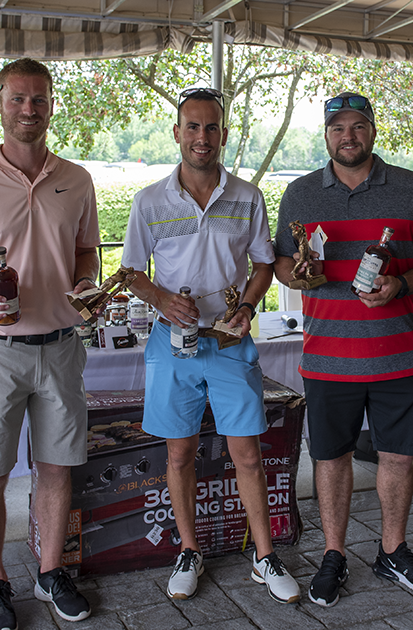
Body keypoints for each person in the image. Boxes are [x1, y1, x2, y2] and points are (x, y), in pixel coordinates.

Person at [0, 59, 101, 628]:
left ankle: (50, 571)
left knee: (56, 469)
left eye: (39, 99)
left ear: (52, 105)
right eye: (18, 98)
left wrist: (85, 281)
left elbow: (86, 251)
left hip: (60, 345)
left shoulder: (76, 179)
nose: (29, 109)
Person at [273, 92, 413, 607]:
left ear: (373, 131)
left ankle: (392, 549)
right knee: (331, 458)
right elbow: (283, 263)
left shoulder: (412, 188)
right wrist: (300, 275)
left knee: (399, 458)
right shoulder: (302, 194)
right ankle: (334, 555)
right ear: (326, 135)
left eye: (357, 127)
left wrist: (402, 282)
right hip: (327, 356)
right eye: (338, 128)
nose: (347, 136)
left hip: (397, 354)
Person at [121, 87, 300, 605]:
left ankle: (264, 556)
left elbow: (265, 264)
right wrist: (160, 298)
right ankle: (189, 550)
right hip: (170, 343)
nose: (202, 138)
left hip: (229, 342)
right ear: (177, 133)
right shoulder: (149, 200)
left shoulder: (247, 196)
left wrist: (246, 307)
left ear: (224, 133)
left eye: (212, 128)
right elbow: (132, 271)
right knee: (179, 453)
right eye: (192, 127)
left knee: (246, 452)